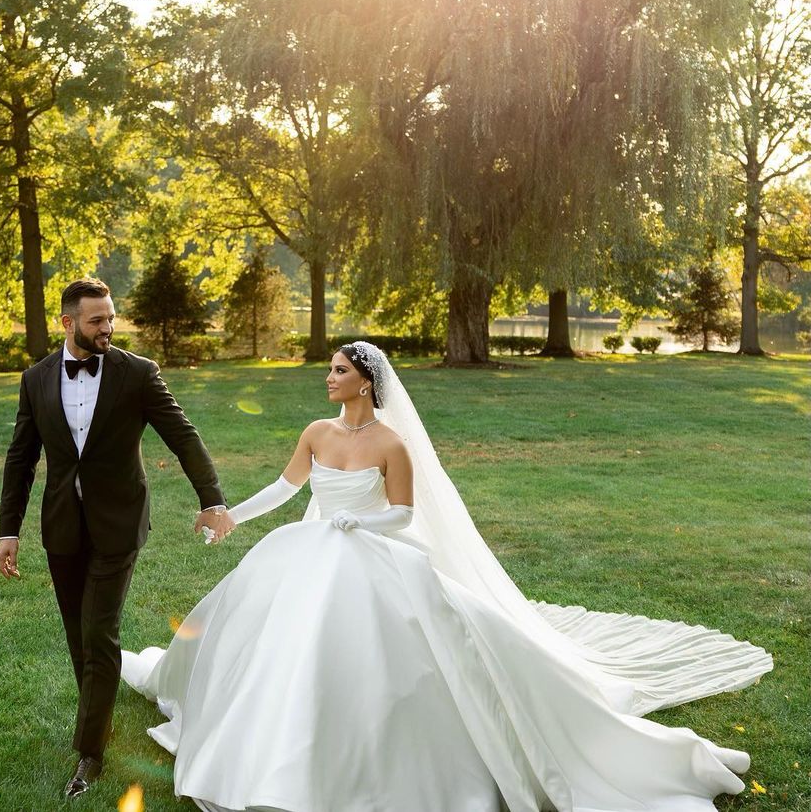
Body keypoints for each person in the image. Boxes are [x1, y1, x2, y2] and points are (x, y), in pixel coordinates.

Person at [122, 340, 771, 812]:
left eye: (339, 370)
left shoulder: (391, 445)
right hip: (311, 550)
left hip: (372, 553)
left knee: (400, 651)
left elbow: (402, 515)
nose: (328, 378)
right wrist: (231, 514)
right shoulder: (317, 432)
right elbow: (284, 487)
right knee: (278, 635)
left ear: (366, 382)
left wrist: (355, 527)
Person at [0, 278, 234, 799]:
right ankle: (96, 716)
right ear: (68, 323)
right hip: (61, 525)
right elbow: (21, 458)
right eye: (96, 320)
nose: (108, 328)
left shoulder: (138, 374)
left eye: (110, 318)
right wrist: (8, 530)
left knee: (100, 631)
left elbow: (183, 434)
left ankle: (90, 752)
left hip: (119, 523)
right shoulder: (35, 379)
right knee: (78, 635)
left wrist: (211, 498)